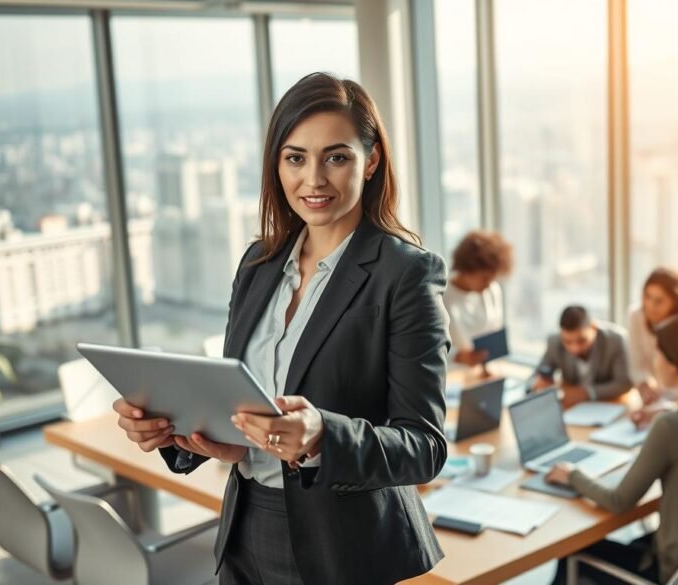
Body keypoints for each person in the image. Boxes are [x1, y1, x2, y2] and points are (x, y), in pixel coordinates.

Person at [112, 73, 449, 585]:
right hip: (246, 528)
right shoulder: (258, 264)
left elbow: (424, 446)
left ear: (371, 160)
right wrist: (179, 434)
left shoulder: (405, 275)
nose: (313, 179)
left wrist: (321, 438)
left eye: (336, 157)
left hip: (345, 549)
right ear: (277, 164)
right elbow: (240, 402)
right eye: (296, 158)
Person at [547, 315, 678, 584]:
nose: (654, 361)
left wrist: (572, 476)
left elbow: (619, 501)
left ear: (676, 365)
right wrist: (668, 408)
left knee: (571, 552)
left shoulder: (672, 427)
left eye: (658, 353)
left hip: (677, 571)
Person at [627, 267, 678, 402]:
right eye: (647, 297)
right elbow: (636, 365)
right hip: (657, 396)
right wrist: (644, 387)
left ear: (675, 301)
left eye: (659, 301)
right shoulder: (636, 315)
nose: (650, 306)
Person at [531, 305, 632, 408]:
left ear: (593, 327)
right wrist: (539, 383)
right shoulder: (554, 342)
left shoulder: (615, 340)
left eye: (582, 340)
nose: (575, 348)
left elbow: (624, 383)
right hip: (572, 407)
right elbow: (535, 377)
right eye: (568, 342)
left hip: (609, 404)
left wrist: (586, 393)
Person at [443, 230, 512, 368]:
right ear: (467, 268)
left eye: (493, 278)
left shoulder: (492, 290)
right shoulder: (443, 296)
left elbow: (494, 335)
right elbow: (433, 346)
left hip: (485, 374)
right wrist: (459, 357)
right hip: (454, 376)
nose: (488, 283)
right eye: (484, 278)